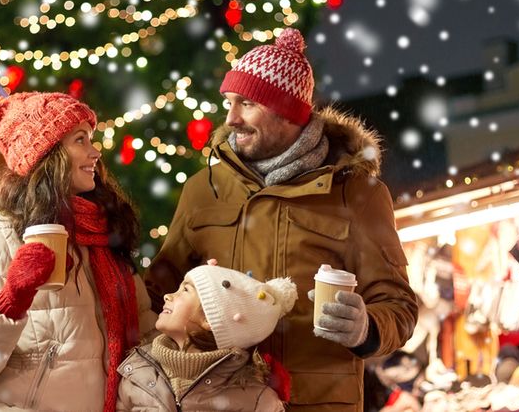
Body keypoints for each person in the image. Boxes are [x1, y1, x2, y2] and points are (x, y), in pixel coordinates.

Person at [146, 28, 418, 412]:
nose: (231, 118)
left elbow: (399, 306)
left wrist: (367, 328)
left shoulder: (357, 194)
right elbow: (158, 292)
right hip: (219, 402)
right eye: (229, 102)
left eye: (246, 103)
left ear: (286, 111)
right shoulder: (202, 190)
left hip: (313, 404)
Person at [0, 92, 157, 412]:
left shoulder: (104, 229)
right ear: (46, 155)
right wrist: (11, 300)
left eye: (91, 139)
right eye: (80, 140)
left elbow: (144, 336)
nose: (95, 151)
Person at [118, 262, 295, 411]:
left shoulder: (257, 400)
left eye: (185, 290)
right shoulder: (135, 373)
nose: (168, 296)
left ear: (210, 318)